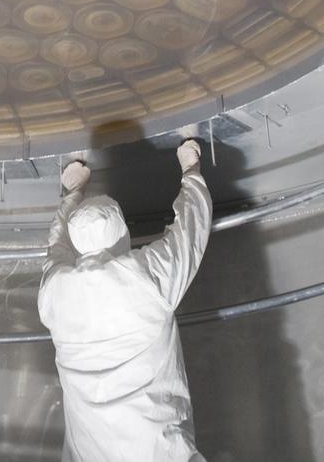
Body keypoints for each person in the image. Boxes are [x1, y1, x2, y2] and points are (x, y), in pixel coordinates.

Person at [37, 140, 212, 462]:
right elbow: (190, 232)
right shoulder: (142, 277)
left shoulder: (58, 291)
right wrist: (73, 192)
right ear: (122, 231)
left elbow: (58, 247)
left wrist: (192, 167)